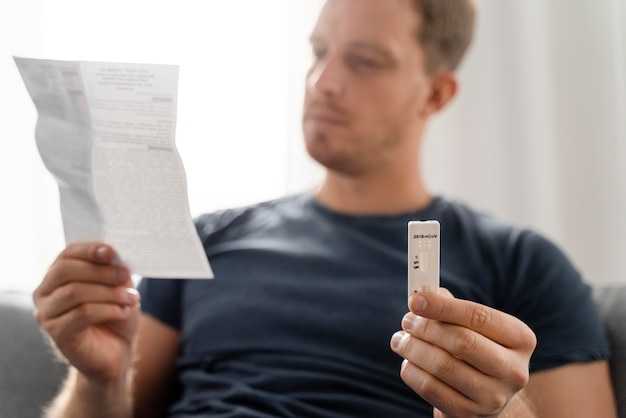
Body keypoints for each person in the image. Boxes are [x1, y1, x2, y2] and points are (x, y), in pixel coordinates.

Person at [33, 0, 617, 417]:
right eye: (318, 52)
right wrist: (98, 378)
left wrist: (499, 412)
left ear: (435, 93)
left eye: (364, 61)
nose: (322, 81)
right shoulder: (208, 239)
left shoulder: (521, 263)